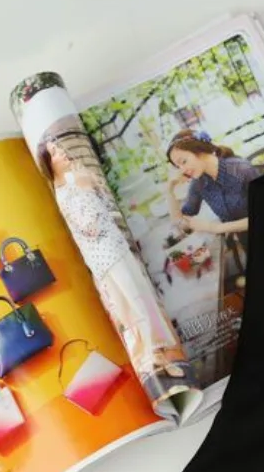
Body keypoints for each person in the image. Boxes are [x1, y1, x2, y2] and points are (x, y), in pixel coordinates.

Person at [37, 139, 186, 380]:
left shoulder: (75, 180)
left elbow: (106, 209)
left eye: (60, 148)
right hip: (107, 258)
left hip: (118, 249)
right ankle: (154, 358)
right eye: (55, 152)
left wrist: (94, 186)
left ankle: (158, 354)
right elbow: (91, 227)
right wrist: (86, 189)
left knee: (144, 301)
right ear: (48, 163)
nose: (62, 152)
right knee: (136, 306)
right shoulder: (63, 194)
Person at [165, 129, 260, 245]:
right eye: (178, 166)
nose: (182, 170)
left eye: (183, 162)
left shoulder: (241, 169)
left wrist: (215, 227)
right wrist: (169, 190)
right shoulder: (199, 182)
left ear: (199, 150)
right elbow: (181, 223)